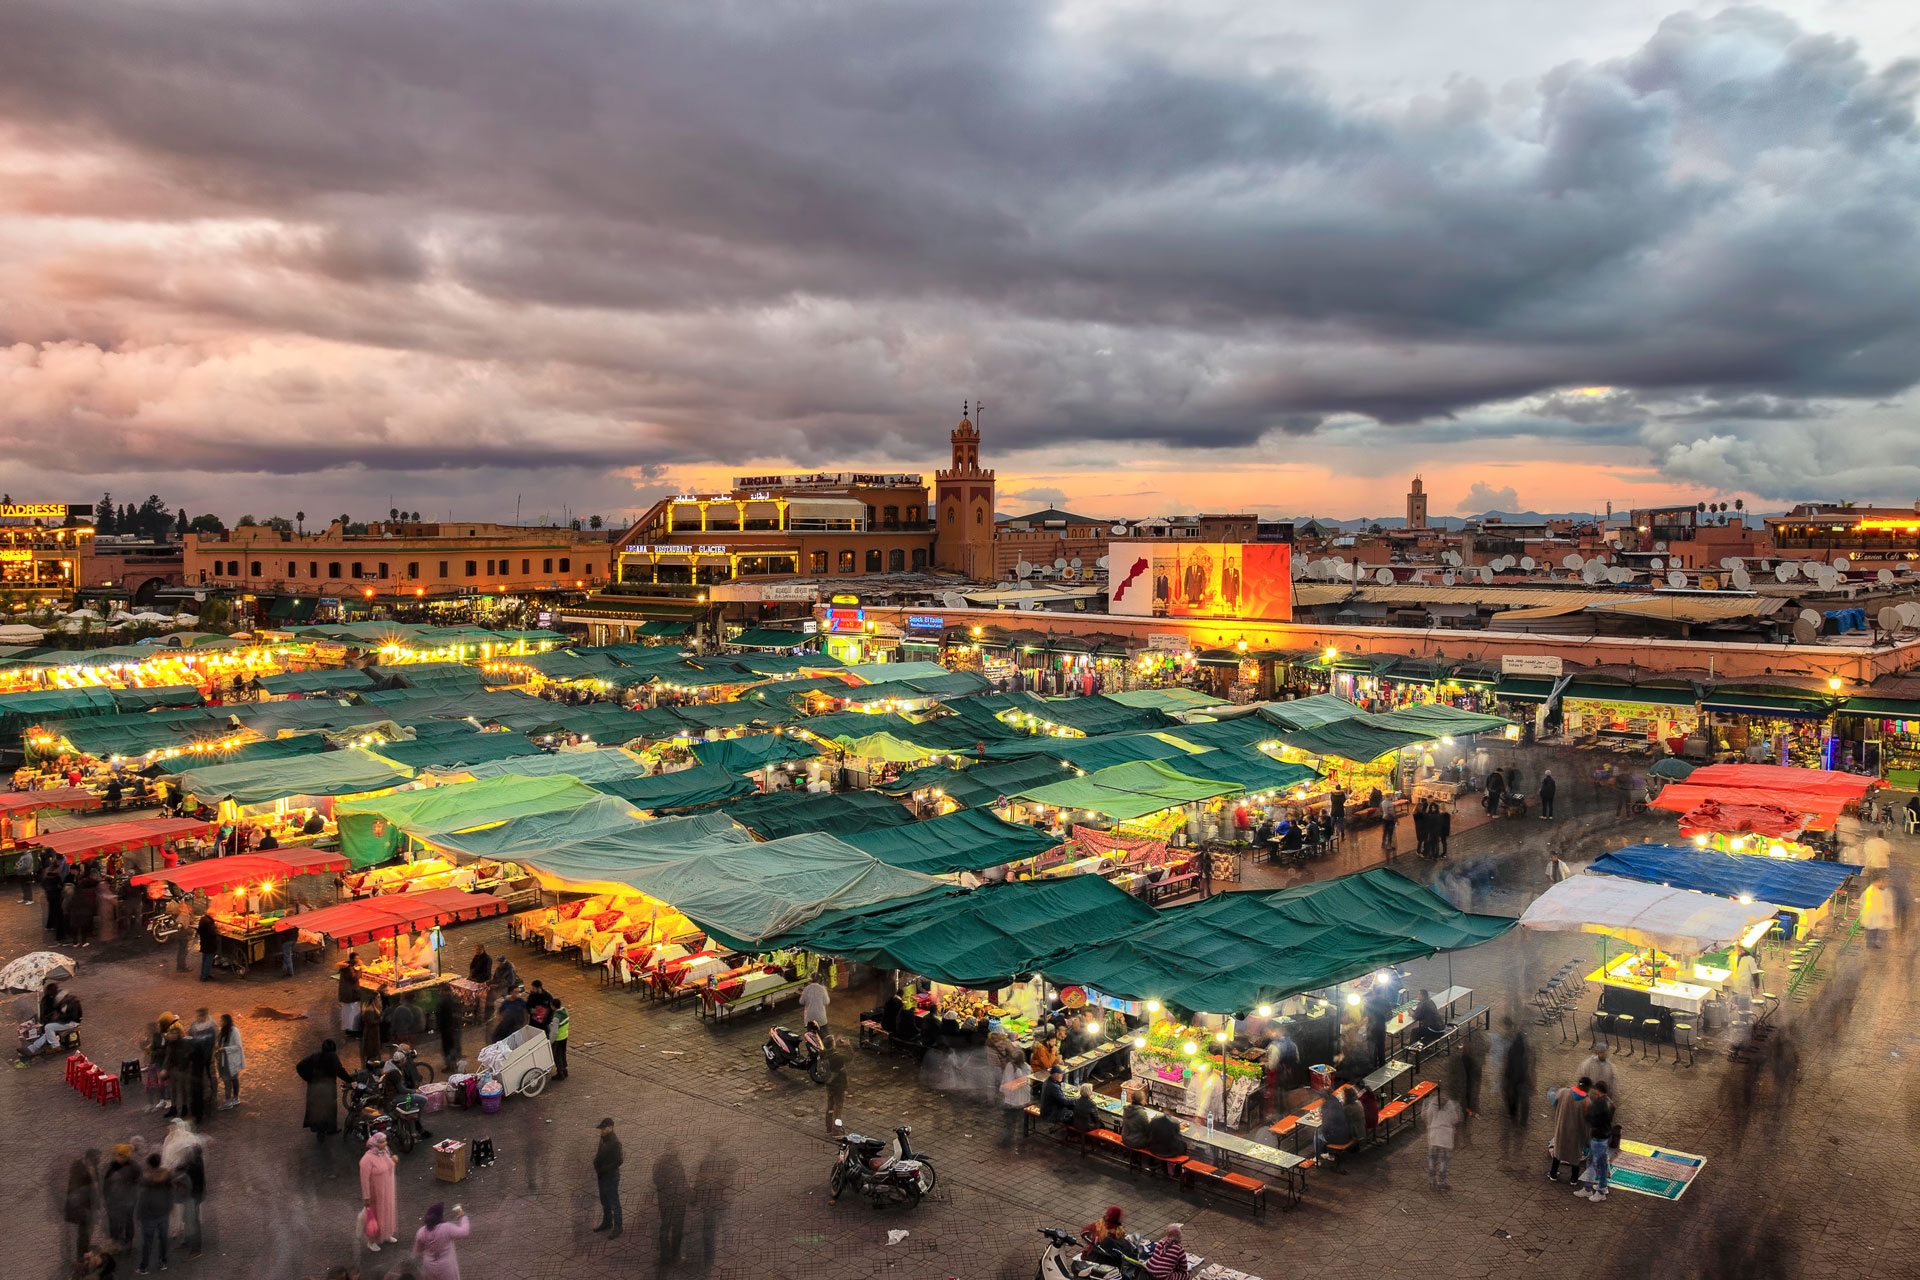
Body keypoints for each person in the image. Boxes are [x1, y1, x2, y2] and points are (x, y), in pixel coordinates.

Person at [297, 1039, 353, 1142]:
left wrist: (308, 1078)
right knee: (328, 1109)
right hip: (327, 1089)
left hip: (314, 1088)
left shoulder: (315, 1056)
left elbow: (300, 1066)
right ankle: (329, 1129)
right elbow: (340, 1071)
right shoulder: (332, 1057)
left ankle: (320, 1131)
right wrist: (351, 1080)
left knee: (317, 1109)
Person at [360, 1132, 401, 1251]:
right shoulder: (366, 1160)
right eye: (382, 1142)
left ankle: (386, 1234)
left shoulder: (385, 1152)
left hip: (388, 1190)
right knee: (376, 1216)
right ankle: (372, 1240)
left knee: (388, 1212)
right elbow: (364, 1180)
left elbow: (388, 1166)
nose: (385, 1144)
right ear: (375, 1144)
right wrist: (366, 1197)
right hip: (376, 1194)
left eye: (385, 1141)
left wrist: (393, 1161)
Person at [133, 1154, 172, 1275]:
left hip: (149, 1216)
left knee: (147, 1242)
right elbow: (170, 1193)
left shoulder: (146, 1180)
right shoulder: (166, 1176)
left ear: (149, 1165)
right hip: (163, 1213)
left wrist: (138, 1215)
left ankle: (144, 1267)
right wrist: (168, 1208)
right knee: (163, 1239)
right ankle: (163, 1262)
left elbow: (143, 1199)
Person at [652, 1141, 688, 1268]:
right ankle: (675, 1256)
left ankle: (664, 1256)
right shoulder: (673, 1162)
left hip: (665, 1200)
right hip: (676, 1200)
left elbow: (656, 1179)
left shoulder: (659, 1161)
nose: (679, 1148)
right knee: (677, 1228)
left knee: (665, 1226)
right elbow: (680, 1181)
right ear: (672, 1148)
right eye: (677, 1146)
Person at [410, 1203, 468, 1280]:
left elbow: (416, 1252)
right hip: (446, 1267)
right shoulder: (447, 1228)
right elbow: (464, 1231)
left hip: (429, 1267)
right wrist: (462, 1216)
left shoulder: (421, 1232)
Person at [1549, 1077, 1590, 1182]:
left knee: (1558, 1151)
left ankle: (1553, 1174)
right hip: (1576, 1132)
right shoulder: (1587, 1101)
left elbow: (1554, 1100)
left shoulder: (1564, 1092)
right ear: (1586, 1087)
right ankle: (1574, 1179)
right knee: (1575, 1155)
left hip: (1562, 1128)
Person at [1580, 1080, 1615, 1201]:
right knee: (1602, 1164)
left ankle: (1595, 1190)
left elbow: (1593, 1120)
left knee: (1594, 1164)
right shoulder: (1610, 1103)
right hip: (1605, 1137)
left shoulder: (1600, 1105)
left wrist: (1587, 1115)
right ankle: (1601, 1187)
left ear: (1598, 1090)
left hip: (1598, 1138)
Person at [64, 1148, 100, 1264]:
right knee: (83, 1233)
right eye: (96, 1159)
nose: (98, 1162)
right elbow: (79, 1190)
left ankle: (84, 1252)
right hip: (81, 1207)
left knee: (87, 1231)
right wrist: (92, 1179)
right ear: (89, 1158)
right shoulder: (79, 1170)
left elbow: (96, 1187)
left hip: (89, 1205)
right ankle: (81, 1257)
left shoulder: (92, 1167)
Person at [103, 1144, 139, 1255]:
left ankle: (128, 1242)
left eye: (122, 1156)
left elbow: (138, 1182)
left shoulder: (134, 1167)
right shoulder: (110, 1167)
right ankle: (116, 1242)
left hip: (128, 1199)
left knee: (128, 1220)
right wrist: (105, 1197)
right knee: (113, 1221)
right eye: (118, 1155)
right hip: (112, 1199)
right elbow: (104, 1182)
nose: (119, 1158)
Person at [1426, 1085, 1463, 1189]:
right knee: (1444, 1160)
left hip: (1434, 1134)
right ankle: (1441, 1182)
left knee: (1432, 1159)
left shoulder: (1432, 1104)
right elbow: (1455, 1119)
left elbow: (1428, 1117)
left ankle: (1432, 1181)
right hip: (1446, 1136)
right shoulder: (1451, 1105)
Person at [593, 1118, 624, 1238]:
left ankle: (618, 1227)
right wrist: (596, 1164)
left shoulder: (615, 1143)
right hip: (602, 1175)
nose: (602, 1130)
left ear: (610, 1128)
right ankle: (607, 1222)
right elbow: (599, 1153)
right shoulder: (603, 1139)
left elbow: (619, 1160)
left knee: (614, 1202)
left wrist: (605, 1169)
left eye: (604, 1128)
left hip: (611, 1176)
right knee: (604, 1200)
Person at [1314, 1083, 1355, 1158]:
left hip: (1339, 1138)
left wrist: (1322, 1126)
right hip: (1346, 1134)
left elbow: (1326, 1126)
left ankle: (1318, 1157)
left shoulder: (1326, 1107)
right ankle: (1325, 1152)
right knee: (1323, 1132)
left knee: (1317, 1134)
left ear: (1323, 1098)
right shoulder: (1336, 1101)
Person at [822, 1034, 851, 1135]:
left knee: (830, 1106)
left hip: (829, 1085)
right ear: (832, 1044)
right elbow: (849, 1057)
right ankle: (836, 1131)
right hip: (838, 1085)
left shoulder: (823, 1053)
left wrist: (836, 1046)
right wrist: (847, 1046)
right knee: (838, 1108)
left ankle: (828, 1128)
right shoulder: (837, 1057)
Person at [214, 1013, 244, 1108]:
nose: (220, 1022)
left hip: (230, 1060)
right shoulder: (223, 1031)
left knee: (230, 1080)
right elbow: (218, 1042)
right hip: (224, 1060)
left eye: (222, 1020)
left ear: (226, 1021)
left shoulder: (234, 1031)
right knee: (231, 1079)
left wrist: (224, 1049)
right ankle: (234, 1099)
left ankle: (229, 1101)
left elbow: (238, 1046)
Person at [435, 994, 463, 1073]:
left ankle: (451, 1066)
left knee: (448, 1049)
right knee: (455, 1047)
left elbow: (440, 1017)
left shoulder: (443, 1001)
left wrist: (439, 1028)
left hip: (447, 1030)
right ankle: (458, 1065)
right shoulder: (455, 999)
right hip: (456, 1028)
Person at [338, 954, 363, 1035]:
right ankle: (353, 1030)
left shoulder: (346, 967)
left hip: (347, 994)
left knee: (348, 1012)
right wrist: (360, 969)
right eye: (356, 958)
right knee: (353, 1012)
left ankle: (349, 1029)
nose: (358, 960)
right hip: (350, 994)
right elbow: (354, 978)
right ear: (352, 959)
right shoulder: (348, 969)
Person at [549, 998, 569, 1079]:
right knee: (563, 1053)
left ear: (553, 1006)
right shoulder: (565, 1012)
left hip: (558, 1039)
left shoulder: (556, 1018)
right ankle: (565, 1069)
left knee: (557, 1056)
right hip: (565, 1036)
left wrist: (550, 1041)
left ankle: (560, 1073)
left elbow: (554, 1032)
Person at [196, 910, 218, 981]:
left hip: (204, 943)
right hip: (209, 944)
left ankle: (204, 974)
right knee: (208, 961)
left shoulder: (203, 919)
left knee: (205, 960)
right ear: (211, 914)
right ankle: (204, 977)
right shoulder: (208, 922)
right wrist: (216, 929)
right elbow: (212, 932)